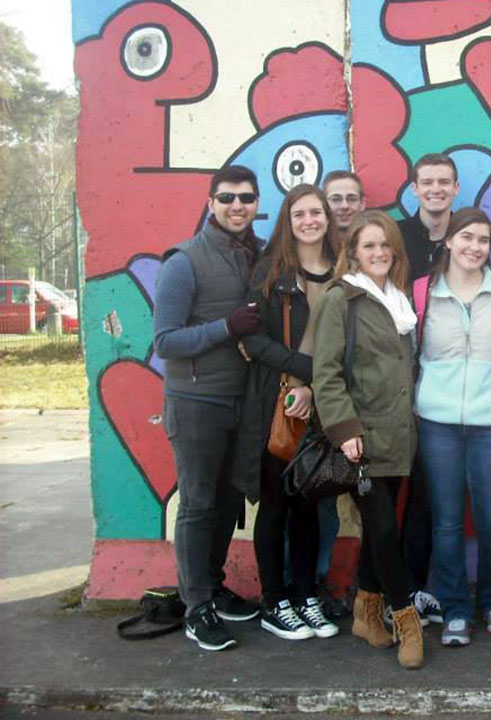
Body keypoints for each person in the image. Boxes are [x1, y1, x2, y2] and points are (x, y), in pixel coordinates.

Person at [153, 165, 264, 652]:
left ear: (257, 202)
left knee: (226, 502)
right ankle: (196, 605)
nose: (237, 206)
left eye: (246, 197)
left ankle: (214, 588)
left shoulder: (257, 254)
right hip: (197, 402)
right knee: (198, 505)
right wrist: (227, 327)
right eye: (227, 198)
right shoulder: (185, 260)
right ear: (211, 202)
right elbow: (166, 342)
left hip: (243, 401)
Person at [311, 210, 424, 669]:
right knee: (382, 529)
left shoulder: (398, 300)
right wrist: (345, 430)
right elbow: (326, 372)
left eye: (385, 245)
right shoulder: (341, 300)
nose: (378, 253)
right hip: (362, 438)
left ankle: (365, 613)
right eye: (369, 246)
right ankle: (407, 621)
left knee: (383, 531)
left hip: (400, 435)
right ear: (353, 252)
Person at [413, 207, 491, 648]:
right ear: (449, 241)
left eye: (483, 240)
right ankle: (455, 607)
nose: (474, 247)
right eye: (467, 238)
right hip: (436, 423)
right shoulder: (422, 293)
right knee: (447, 522)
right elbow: (410, 351)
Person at [236, 184, 340, 641]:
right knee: (276, 505)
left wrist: (319, 386)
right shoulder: (271, 273)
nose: (309, 221)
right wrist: (306, 371)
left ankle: (304, 595)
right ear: (288, 220)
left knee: (310, 505)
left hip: (326, 404)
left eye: (316, 212)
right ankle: (274, 600)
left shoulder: (343, 272)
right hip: (277, 406)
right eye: (300, 214)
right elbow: (253, 341)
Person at [392, 153, 464, 625]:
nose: (435, 190)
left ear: (456, 188)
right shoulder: (397, 235)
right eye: (427, 183)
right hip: (396, 378)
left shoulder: (467, 236)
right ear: (414, 189)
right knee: (387, 493)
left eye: (444, 182)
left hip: (446, 382)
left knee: (430, 493)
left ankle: (423, 592)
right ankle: (391, 594)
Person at [312, 170, 367, 619]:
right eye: (336, 199)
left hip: (365, 402)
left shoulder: (374, 254)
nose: (344, 206)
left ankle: (361, 589)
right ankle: (319, 587)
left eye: (351, 198)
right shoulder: (316, 255)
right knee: (321, 495)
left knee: (367, 502)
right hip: (317, 396)